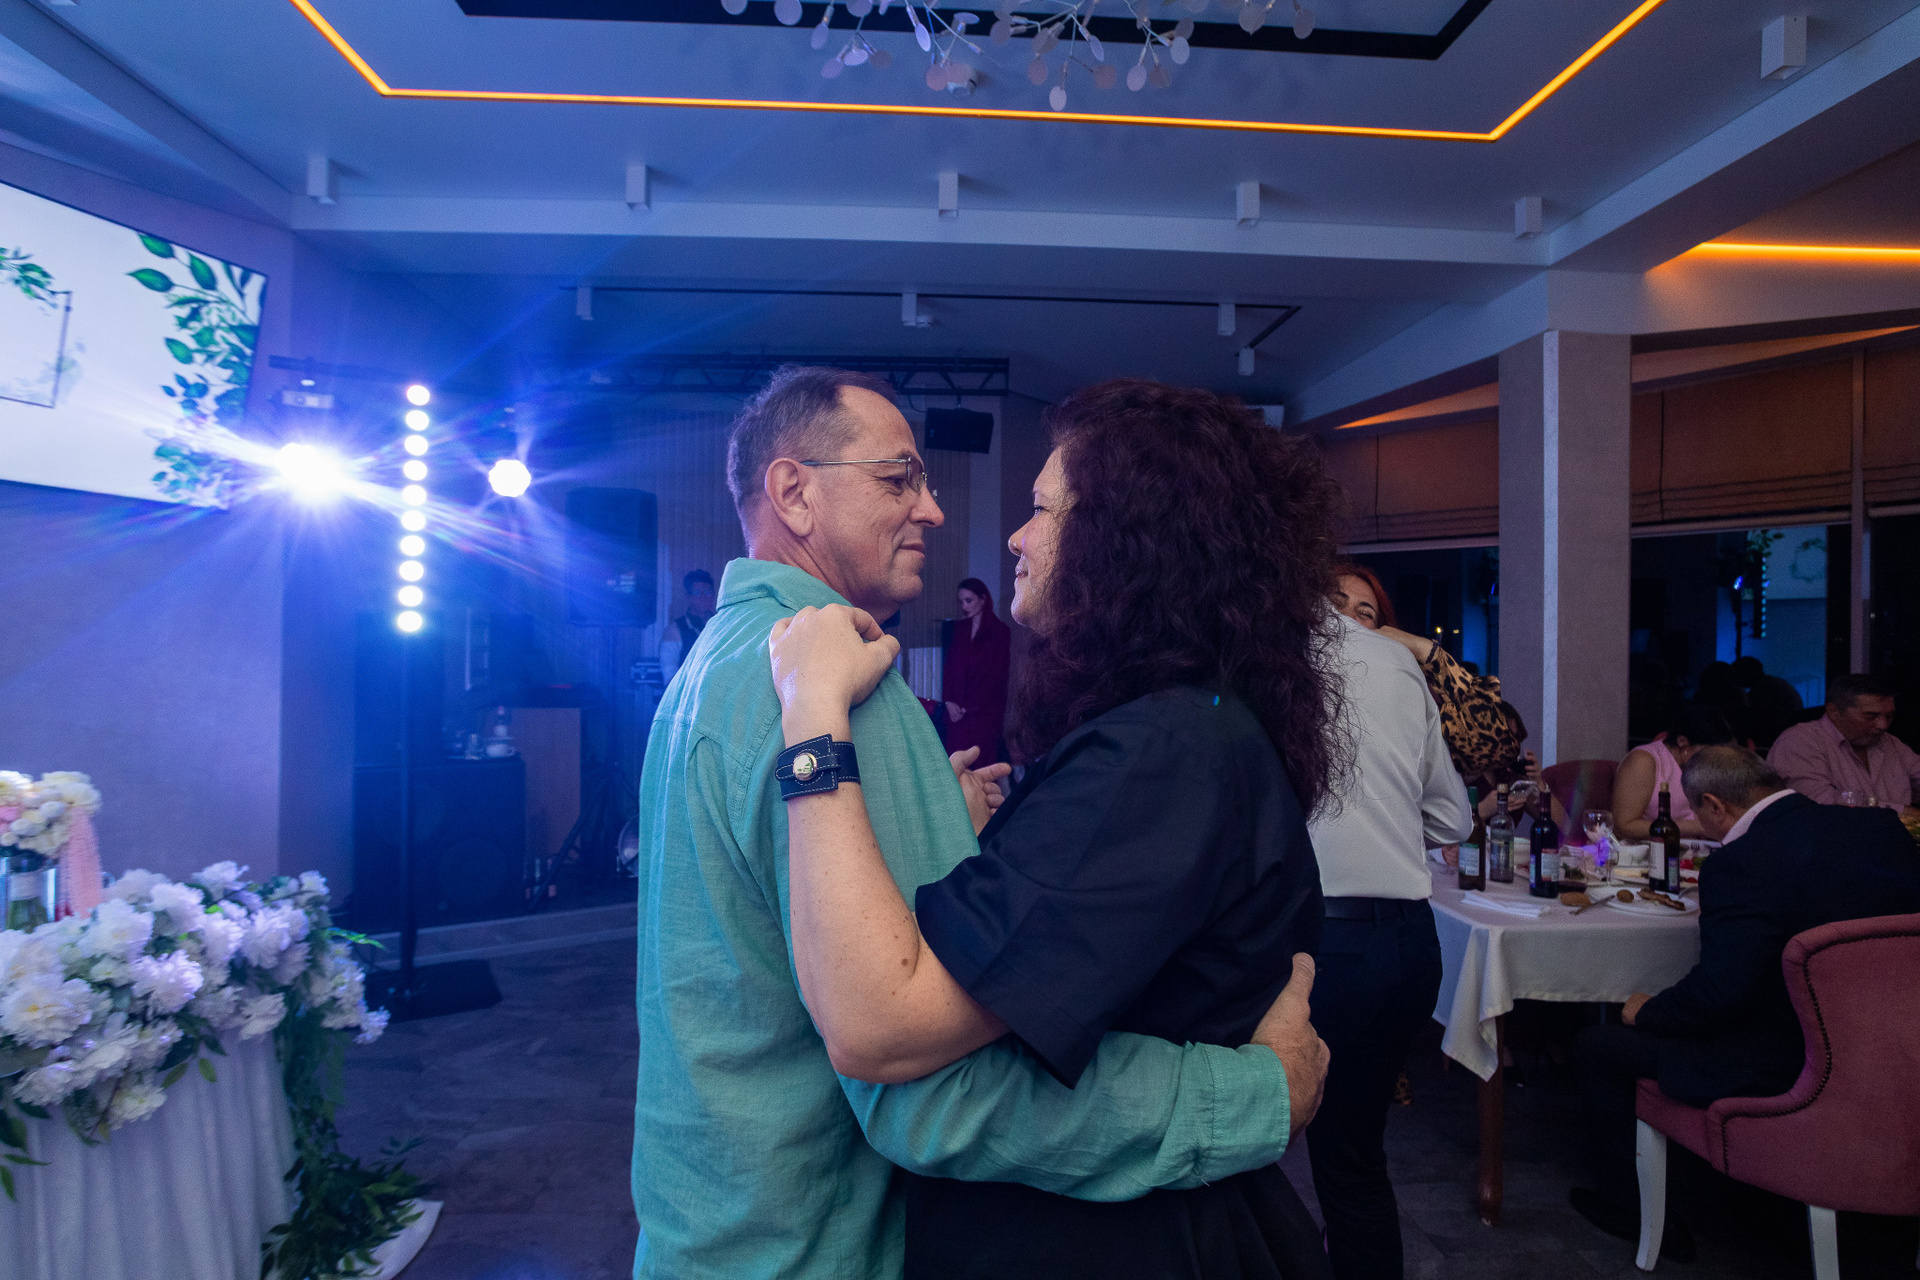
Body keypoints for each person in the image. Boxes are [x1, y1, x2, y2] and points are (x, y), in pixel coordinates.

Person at [632, 366, 1324, 1280]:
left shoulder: (710, 668)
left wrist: (960, 848)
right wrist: (1254, 1096)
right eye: (898, 479)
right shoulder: (837, 691)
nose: (936, 511)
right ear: (793, 492)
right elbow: (929, 1091)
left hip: (704, 1228)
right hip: (817, 1248)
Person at [1569, 746, 1920, 1259]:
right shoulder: (1881, 830)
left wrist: (1650, 1010)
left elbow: (1720, 994)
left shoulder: (1741, 863)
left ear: (1714, 805)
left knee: (1599, 1047)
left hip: (1790, 1061)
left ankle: (1633, 1212)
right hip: (1897, 1049)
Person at [1306, 599, 1474, 1280]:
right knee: (1353, 1155)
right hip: (1408, 943)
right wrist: (1382, 825)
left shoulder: (1255, 658)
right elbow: (1452, 820)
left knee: (1246, 1148)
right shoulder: (1391, 661)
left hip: (1323, 945)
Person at [1331, 563, 1518, 782]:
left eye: (1364, 614)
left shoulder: (1399, 694)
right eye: (1335, 604)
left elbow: (1494, 750)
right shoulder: (1298, 682)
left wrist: (1427, 651)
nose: (1349, 619)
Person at [1768, 673, 1920, 819]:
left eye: (1888, 716)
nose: (1883, 725)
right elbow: (1819, 804)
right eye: (1871, 716)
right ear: (1833, 712)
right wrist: (1901, 811)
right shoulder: (1799, 740)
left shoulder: (1890, 743)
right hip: (1826, 836)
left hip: (1891, 835)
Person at [1609, 702, 1735, 839]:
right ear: (1682, 742)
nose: (1714, 761)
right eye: (1709, 753)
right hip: (1649, 849)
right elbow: (1623, 827)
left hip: (1694, 848)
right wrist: (1699, 827)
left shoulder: (1704, 769)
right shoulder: (1644, 760)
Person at [940, 577, 1010, 765]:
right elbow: (949, 669)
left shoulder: (1000, 632)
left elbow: (997, 677)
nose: (964, 606)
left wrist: (968, 707)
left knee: (982, 764)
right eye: (961, 602)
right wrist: (949, 702)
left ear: (983, 599)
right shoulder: (959, 629)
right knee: (955, 763)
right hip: (956, 711)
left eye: (968, 600)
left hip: (983, 713)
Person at [1731, 655, 1804, 752]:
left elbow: (1753, 718)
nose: (1736, 679)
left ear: (1747, 673)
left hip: (1778, 740)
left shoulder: (1763, 689)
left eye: (1738, 674)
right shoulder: (1774, 684)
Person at [659, 568, 717, 681]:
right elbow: (669, 673)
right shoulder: (674, 631)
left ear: (714, 596)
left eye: (707, 593)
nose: (703, 598)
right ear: (688, 597)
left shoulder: (722, 626)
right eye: (697, 593)